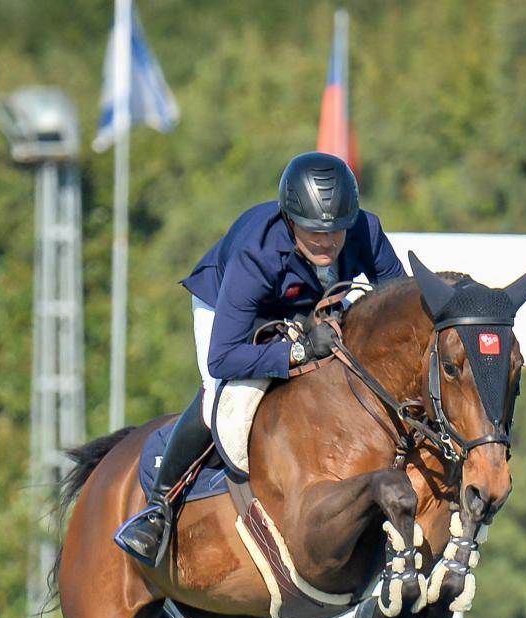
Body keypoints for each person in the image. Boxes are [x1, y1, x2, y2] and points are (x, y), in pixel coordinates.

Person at [113, 151, 408, 567]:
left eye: (336, 230)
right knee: (218, 398)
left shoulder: (365, 230)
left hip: (307, 306)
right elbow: (223, 357)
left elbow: (400, 305)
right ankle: (159, 507)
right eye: (314, 231)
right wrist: (300, 351)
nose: (327, 241)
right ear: (290, 221)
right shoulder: (258, 254)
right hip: (231, 312)